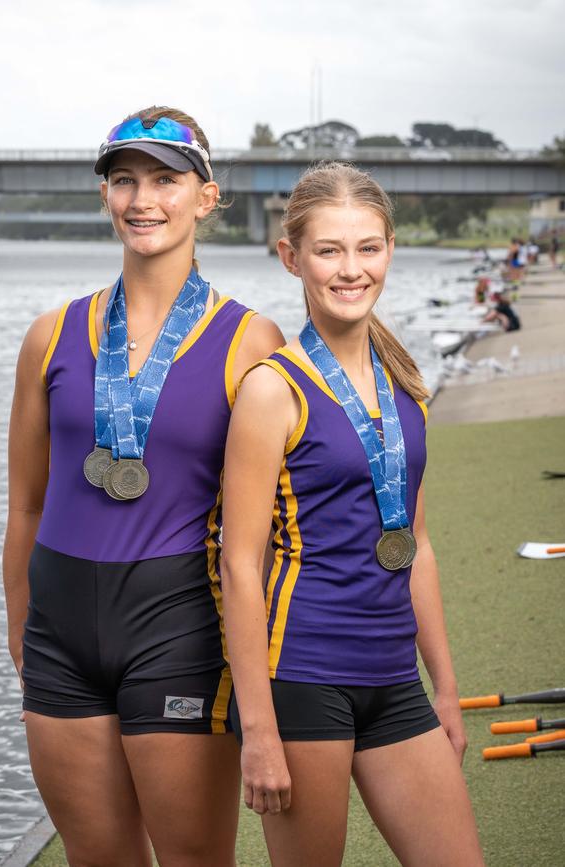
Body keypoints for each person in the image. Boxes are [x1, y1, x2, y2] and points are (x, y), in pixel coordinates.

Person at [3, 105, 284, 867]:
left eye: (166, 178)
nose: (142, 198)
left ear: (207, 195)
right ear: (104, 197)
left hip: (180, 628)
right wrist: (20, 623)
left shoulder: (251, 340)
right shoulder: (50, 335)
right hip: (59, 630)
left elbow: (266, 531)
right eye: (123, 180)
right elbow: (26, 501)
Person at [221, 162, 484, 866]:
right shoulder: (271, 389)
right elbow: (239, 565)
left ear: (390, 249)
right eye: (329, 250)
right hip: (304, 675)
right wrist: (260, 730)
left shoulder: (406, 385)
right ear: (292, 257)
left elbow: (416, 545)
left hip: (394, 675)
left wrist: (447, 689)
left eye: (367, 248)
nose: (350, 269)